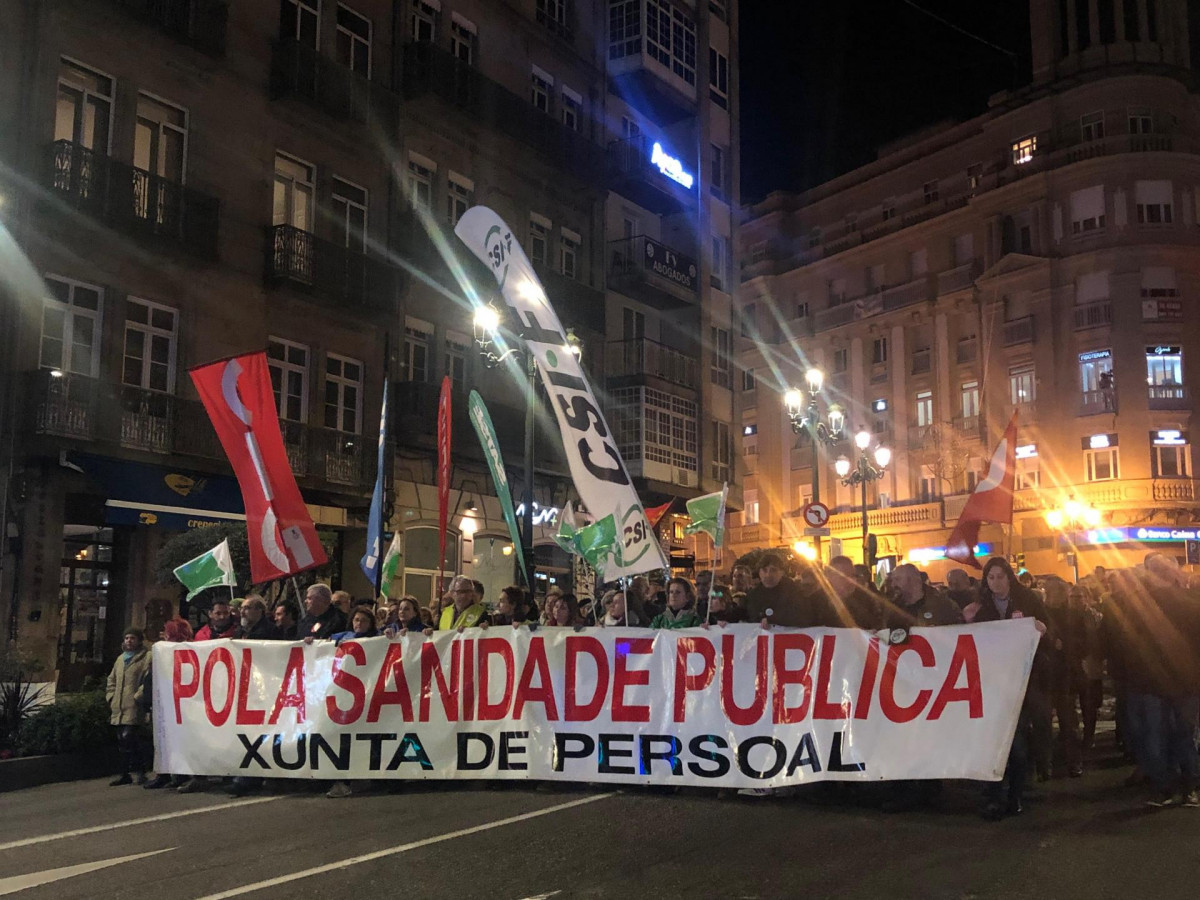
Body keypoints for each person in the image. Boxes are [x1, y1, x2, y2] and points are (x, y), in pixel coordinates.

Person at [964, 557, 1049, 820]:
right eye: (991, 578)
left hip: (1022, 680)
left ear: (1009, 577)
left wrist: (1040, 629)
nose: (996, 582)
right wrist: (967, 621)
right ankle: (992, 793)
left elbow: (1048, 629)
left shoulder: (1028, 601)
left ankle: (1016, 793)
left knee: (1018, 740)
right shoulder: (980, 607)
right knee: (992, 740)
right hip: (991, 682)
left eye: (1000, 577)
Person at [144, 618, 194, 790]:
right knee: (163, 739)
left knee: (177, 739)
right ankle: (165, 773)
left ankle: (178, 773)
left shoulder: (187, 651)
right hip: (164, 703)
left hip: (178, 704)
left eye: (168, 632)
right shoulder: (161, 651)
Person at [106, 628, 151, 786]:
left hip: (133, 706)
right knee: (122, 742)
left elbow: (148, 679)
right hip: (119, 706)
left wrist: (138, 697)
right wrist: (111, 697)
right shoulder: (120, 659)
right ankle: (125, 773)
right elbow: (111, 680)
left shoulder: (146, 657)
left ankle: (140, 771)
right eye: (126, 638)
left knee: (129, 738)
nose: (129, 641)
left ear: (139, 640)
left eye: (132, 638)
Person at [743, 552, 830, 628]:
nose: (768, 575)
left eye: (773, 570)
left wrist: (773, 619)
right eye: (764, 570)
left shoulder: (795, 592)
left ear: (782, 572)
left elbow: (803, 617)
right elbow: (744, 614)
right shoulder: (753, 595)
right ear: (759, 572)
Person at [883, 564, 963, 629]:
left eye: (897, 579)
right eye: (892, 580)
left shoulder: (942, 605)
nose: (893, 584)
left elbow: (958, 631)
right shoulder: (892, 608)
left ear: (913, 580)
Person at [827, 555, 884, 629]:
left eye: (853, 576)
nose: (850, 580)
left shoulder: (865, 601)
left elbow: (876, 627)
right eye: (844, 576)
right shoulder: (815, 601)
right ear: (830, 576)